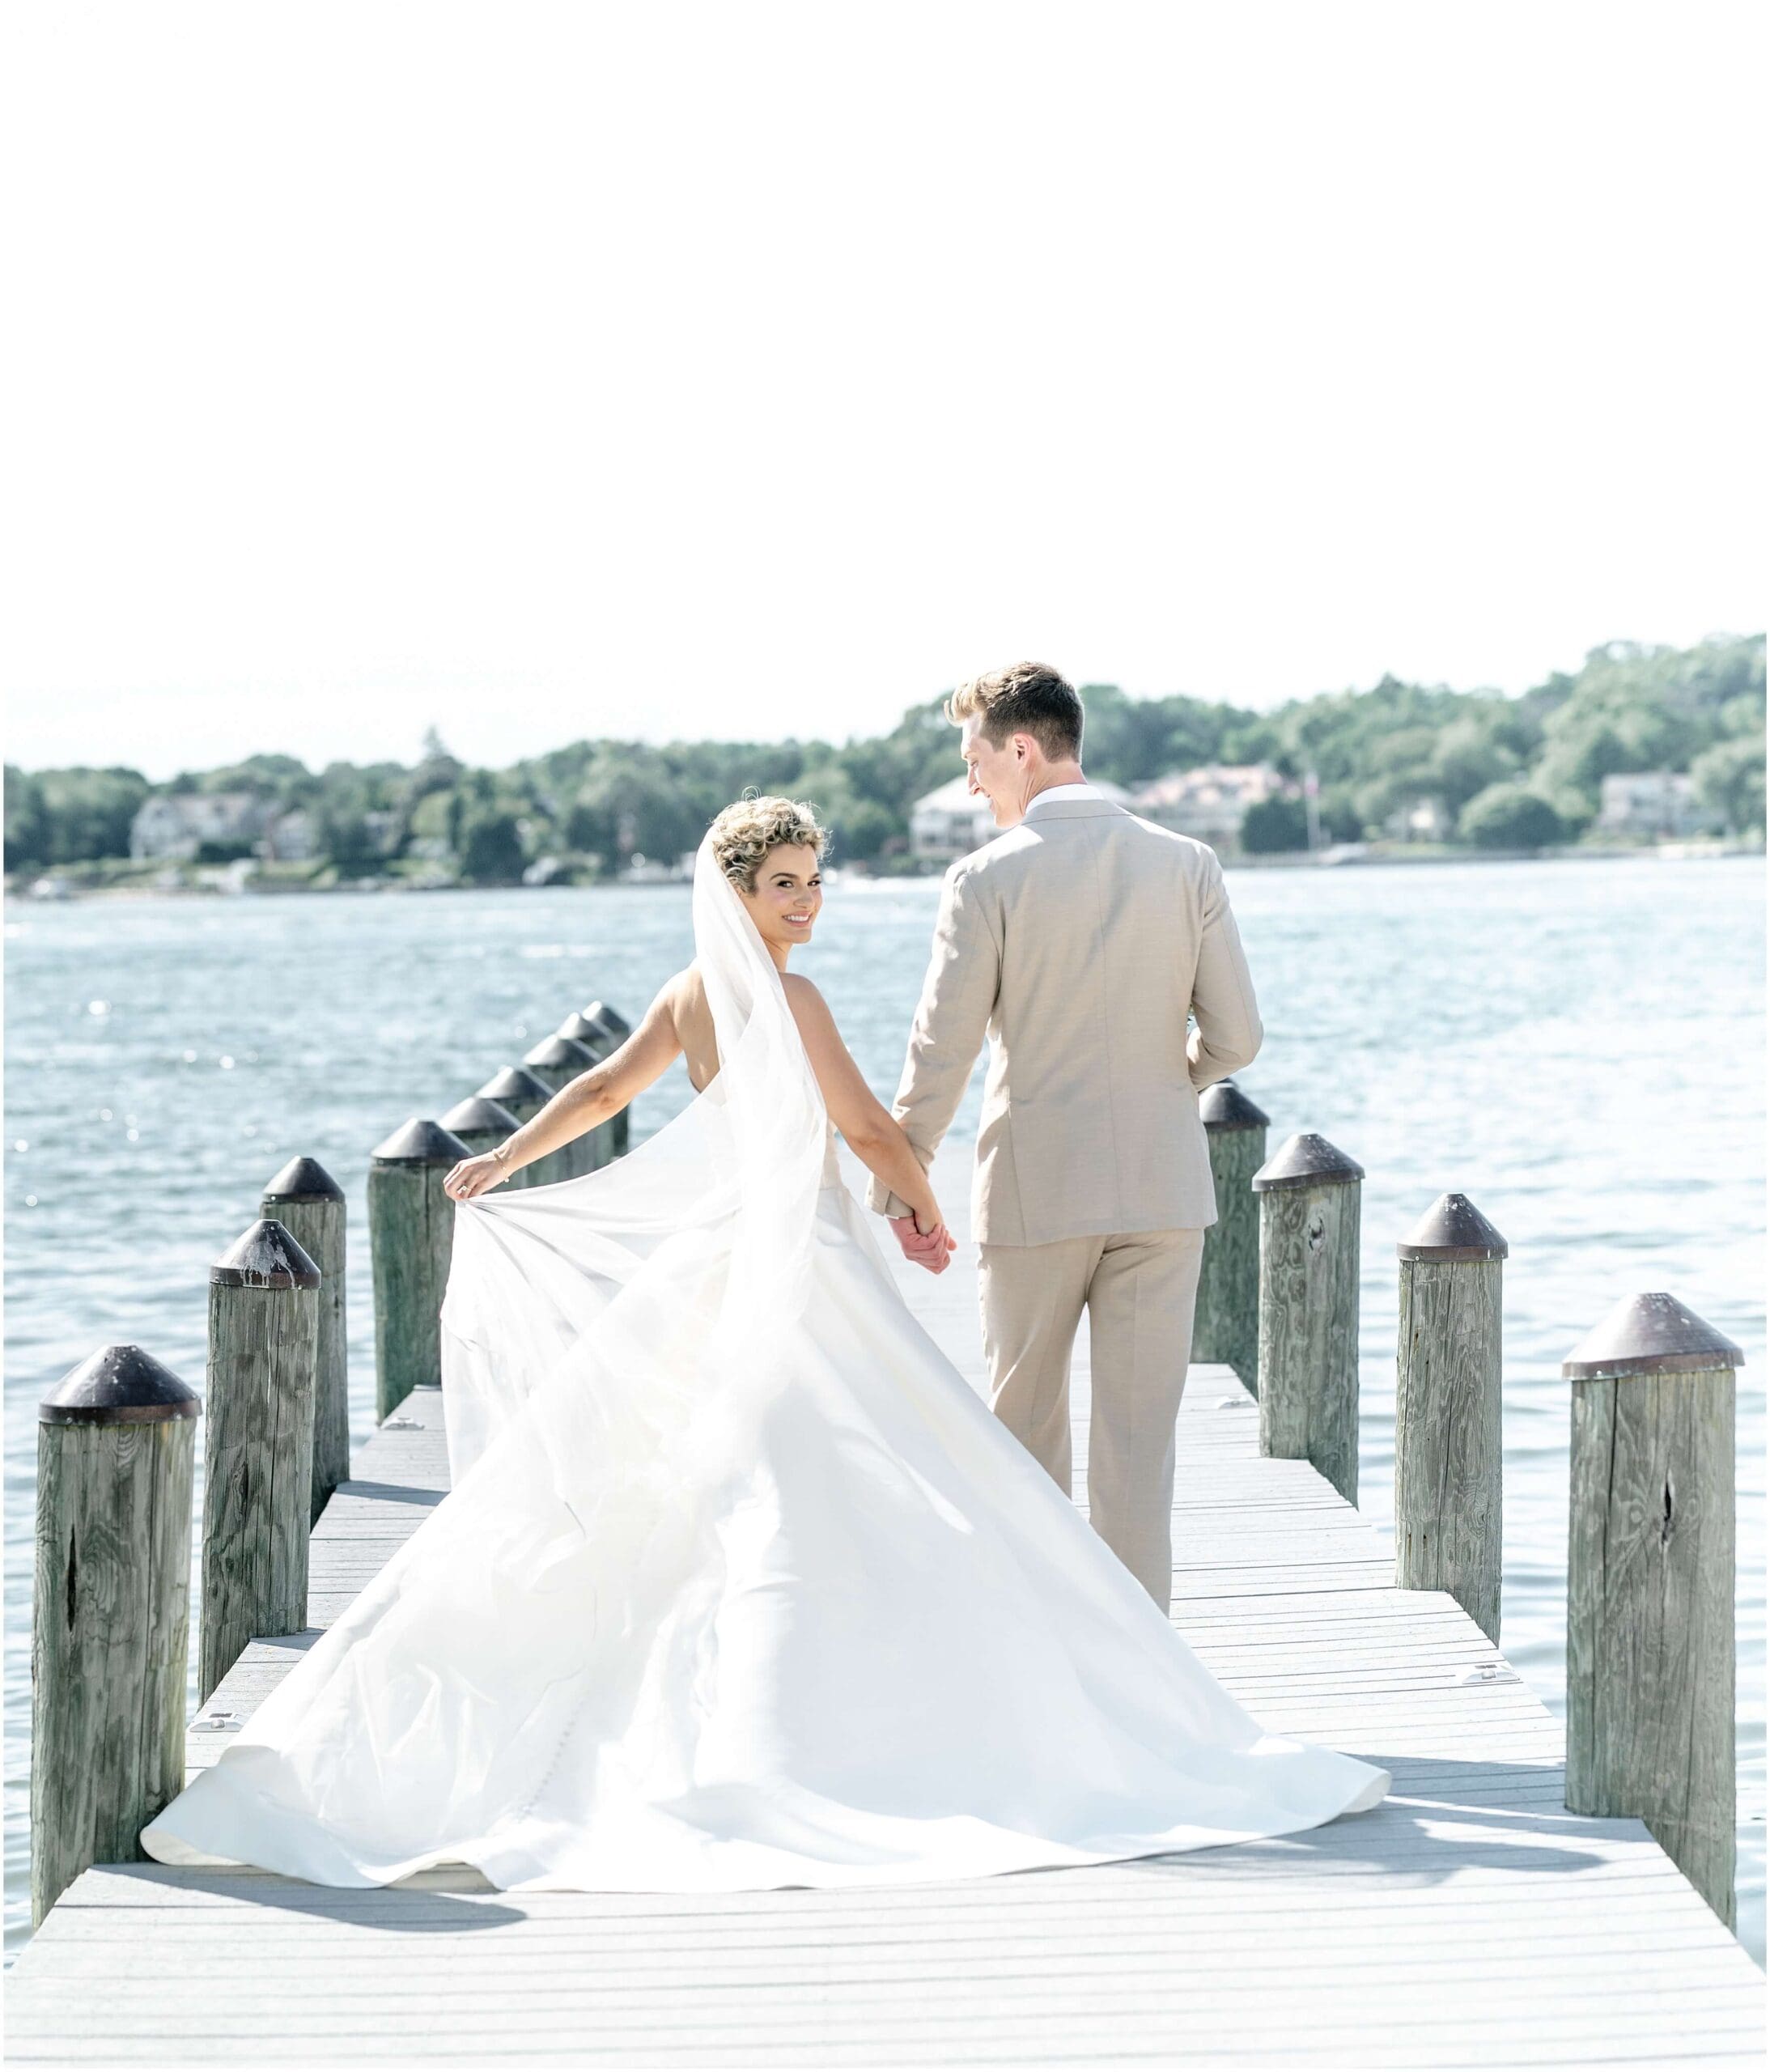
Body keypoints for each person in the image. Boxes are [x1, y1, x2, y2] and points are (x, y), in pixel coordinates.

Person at [139, 793, 1386, 1893]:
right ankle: (830, 1720)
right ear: (736, 892)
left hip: (721, 1257)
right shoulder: (786, 999)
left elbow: (601, 1097)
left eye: (814, 880)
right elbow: (861, 1128)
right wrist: (925, 1210)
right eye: (784, 884)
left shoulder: (690, 999)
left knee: (737, 1479)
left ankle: (743, 1707)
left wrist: (507, 1156)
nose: (808, 903)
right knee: (864, 1475)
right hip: (796, 1264)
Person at [872, 663, 1260, 1609]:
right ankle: (1148, 1682)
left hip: (1036, 1189)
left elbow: (942, 1051)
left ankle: (1049, 1666)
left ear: (1021, 747)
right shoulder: (1187, 862)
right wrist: (1175, 1082)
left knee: (1022, 1437)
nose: (971, 783)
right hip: (1163, 1190)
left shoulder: (984, 879)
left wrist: (904, 1179)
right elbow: (1239, 1038)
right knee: (1139, 1451)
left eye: (974, 759)